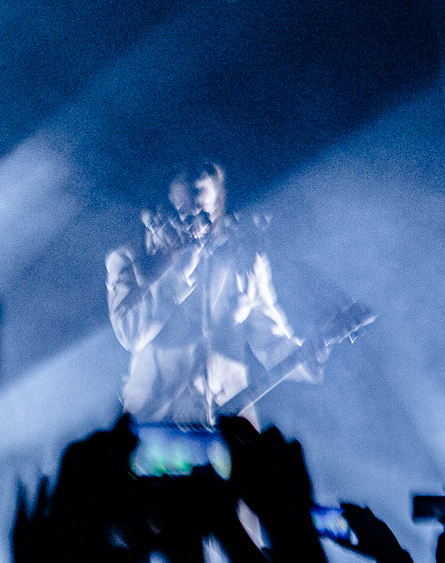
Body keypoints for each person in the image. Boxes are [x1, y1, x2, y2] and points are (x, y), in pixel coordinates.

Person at [105, 161, 320, 427]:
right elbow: (130, 333)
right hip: (156, 425)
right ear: (162, 209)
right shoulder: (129, 258)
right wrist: (179, 274)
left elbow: (270, 342)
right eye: (183, 214)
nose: (194, 225)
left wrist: (309, 355)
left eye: (202, 213)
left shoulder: (245, 261)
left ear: (218, 205)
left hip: (229, 430)